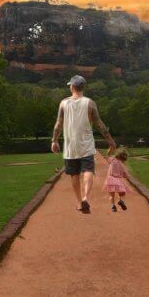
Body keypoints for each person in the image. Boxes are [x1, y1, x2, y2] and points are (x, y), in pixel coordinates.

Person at [51, 75, 116, 213]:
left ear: (72, 87)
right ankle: (86, 197)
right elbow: (100, 125)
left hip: (70, 147)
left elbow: (58, 124)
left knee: (74, 175)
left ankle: (80, 202)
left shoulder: (63, 103)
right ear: (83, 87)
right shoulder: (90, 103)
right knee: (88, 171)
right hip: (86, 145)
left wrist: (54, 140)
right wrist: (110, 141)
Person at [103, 146, 131, 212]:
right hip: (118, 181)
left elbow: (108, 154)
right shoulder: (122, 165)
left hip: (110, 180)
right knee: (122, 193)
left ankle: (113, 206)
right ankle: (121, 201)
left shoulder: (112, 159)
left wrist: (110, 148)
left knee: (111, 195)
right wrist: (127, 176)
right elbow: (125, 175)